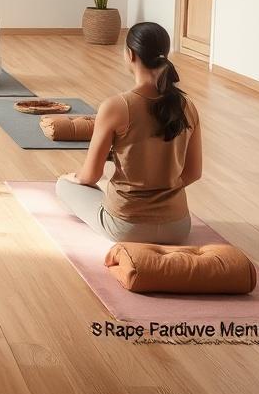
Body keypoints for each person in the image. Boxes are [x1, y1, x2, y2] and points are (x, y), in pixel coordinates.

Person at [55, 22, 202, 244]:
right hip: (178, 227)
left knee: (64, 186)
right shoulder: (187, 105)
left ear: (130, 54)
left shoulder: (116, 106)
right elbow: (193, 173)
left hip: (127, 226)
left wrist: (71, 177)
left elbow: (91, 176)